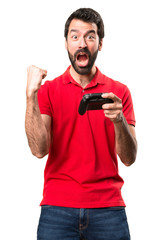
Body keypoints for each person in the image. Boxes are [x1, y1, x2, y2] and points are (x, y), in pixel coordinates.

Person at [25, 8, 137, 240]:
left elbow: (129, 158)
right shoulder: (48, 91)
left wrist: (119, 120)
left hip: (108, 208)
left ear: (100, 43)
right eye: (75, 36)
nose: (82, 43)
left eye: (90, 36)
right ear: (66, 43)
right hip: (57, 207)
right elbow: (38, 150)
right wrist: (30, 95)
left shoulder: (119, 92)